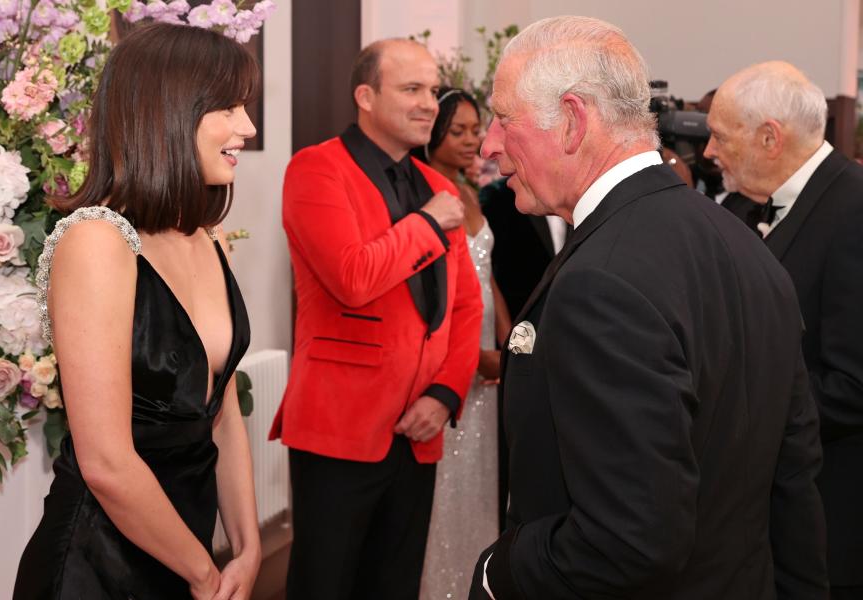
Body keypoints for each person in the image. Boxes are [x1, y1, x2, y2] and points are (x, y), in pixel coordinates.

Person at [472, 16, 827, 600]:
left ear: (570, 121)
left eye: (503, 118)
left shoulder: (603, 282)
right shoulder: (744, 245)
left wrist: (501, 570)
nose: (489, 143)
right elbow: (792, 480)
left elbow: (628, 542)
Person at [13, 23, 261, 600]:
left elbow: (222, 412)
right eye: (228, 107)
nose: (247, 127)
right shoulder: (97, 242)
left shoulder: (208, 238)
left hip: (188, 552)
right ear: (168, 111)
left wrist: (247, 549)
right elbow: (105, 461)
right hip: (98, 566)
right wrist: (202, 573)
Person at [269, 38, 482, 600]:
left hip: (419, 427)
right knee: (325, 582)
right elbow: (351, 278)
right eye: (411, 89)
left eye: (433, 91)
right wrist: (429, 225)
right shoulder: (316, 170)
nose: (428, 104)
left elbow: (465, 306)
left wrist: (445, 392)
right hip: (341, 422)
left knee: (395, 583)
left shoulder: (439, 187)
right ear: (365, 96)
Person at [705, 61, 863, 600]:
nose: (708, 152)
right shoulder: (755, 208)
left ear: (770, 137)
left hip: (833, 524)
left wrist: (732, 414)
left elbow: (852, 386)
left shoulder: (854, 210)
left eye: (720, 136)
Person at [413, 87, 509, 599]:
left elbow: (486, 275)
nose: (474, 140)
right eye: (460, 131)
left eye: (478, 129)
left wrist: (510, 339)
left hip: (488, 354)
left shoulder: (469, 193)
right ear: (431, 135)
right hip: (453, 357)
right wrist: (471, 355)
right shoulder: (426, 196)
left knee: (479, 483)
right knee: (446, 486)